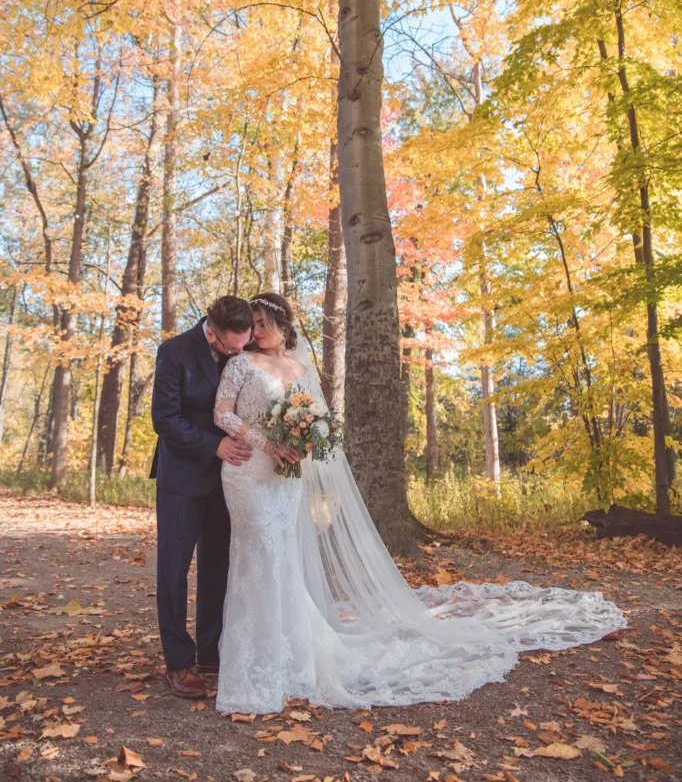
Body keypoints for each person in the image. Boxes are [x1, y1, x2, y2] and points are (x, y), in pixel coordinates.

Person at [212, 292, 627, 714]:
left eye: (263, 323)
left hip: (288, 477)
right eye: (253, 325)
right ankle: (253, 662)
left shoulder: (300, 369)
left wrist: (305, 443)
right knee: (256, 554)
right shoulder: (240, 364)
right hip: (248, 471)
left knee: (282, 561)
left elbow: (315, 423)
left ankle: (290, 655)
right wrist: (266, 443)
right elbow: (222, 414)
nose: (256, 332)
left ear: (284, 325)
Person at [150, 295, 254, 699]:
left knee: (218, 568)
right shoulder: (174, 351)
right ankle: (178, 663)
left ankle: (211, 652)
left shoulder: (242, 352)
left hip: (229, 481)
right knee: (173, 572)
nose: (239, 352)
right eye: (232, 346)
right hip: (181, 477)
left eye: (243, 344)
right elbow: (165, 418)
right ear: (211, 331)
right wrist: (214, 446)